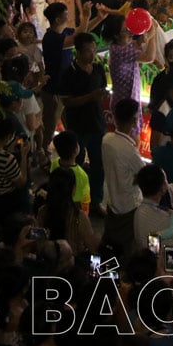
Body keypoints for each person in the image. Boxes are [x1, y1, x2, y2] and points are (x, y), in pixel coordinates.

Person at [54, 32, 108, 214]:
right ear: (78, 52)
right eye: (87, 51)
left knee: (98, 164)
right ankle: (71, 199)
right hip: (78, 126)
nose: (92, 54)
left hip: (97, 123)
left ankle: (96, 201)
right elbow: (67, 101)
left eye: (94, 49)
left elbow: (103, 89)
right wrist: (90, 97)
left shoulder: (98, 69)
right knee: (73, 163)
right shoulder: (69, 73)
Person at [101, 98, 144, 255]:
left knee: (107, 248)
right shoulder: (129, 149)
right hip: (129, 208)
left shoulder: (107, 140)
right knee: (125, 252)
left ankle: (100, 276)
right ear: (134, 120)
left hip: (112, 203)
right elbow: (143, 175)